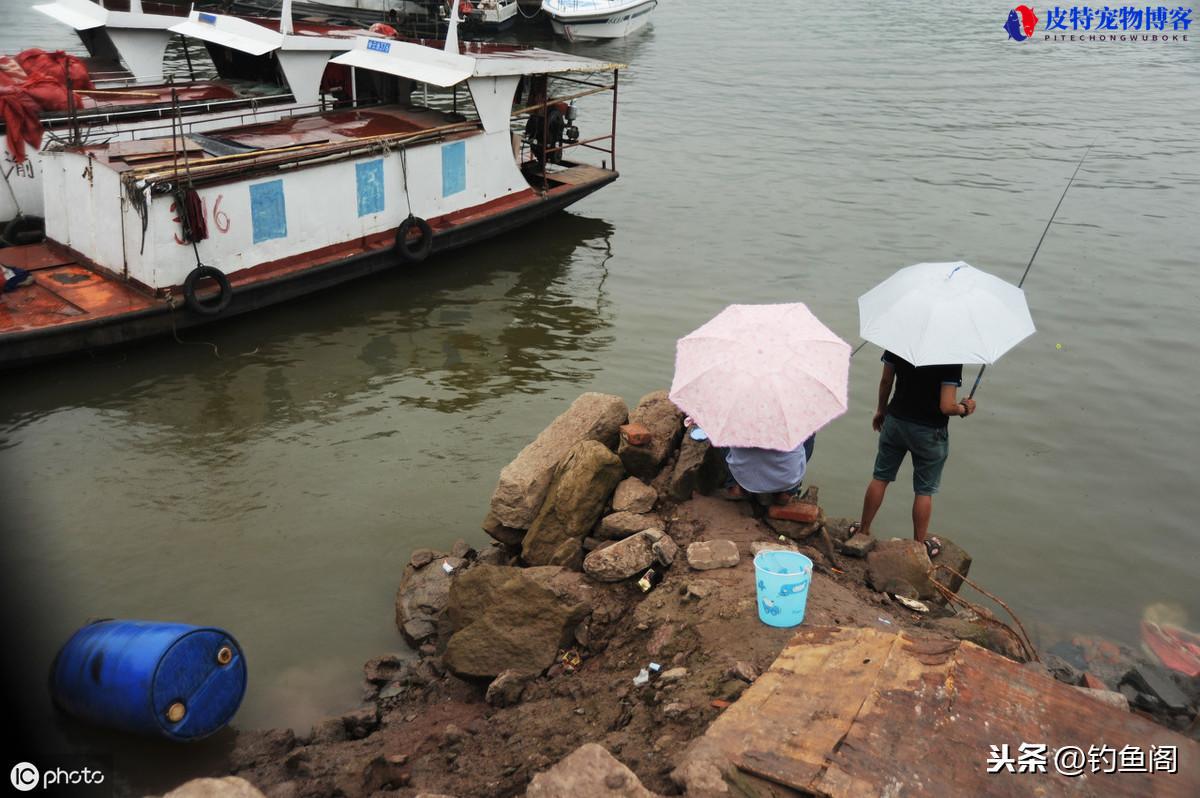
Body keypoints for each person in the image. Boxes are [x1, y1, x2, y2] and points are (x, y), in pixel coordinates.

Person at [853, 351, 976, 557]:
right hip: (930, 432)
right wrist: (964, 408)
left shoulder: (900, 340)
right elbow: (946, 407)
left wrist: (881, 410)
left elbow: (886, 382)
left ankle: (862, 532)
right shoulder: (950, 356)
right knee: (923, 491)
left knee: (880, 478)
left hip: (896, 421)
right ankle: (918, 547)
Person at [724, 434, 815, 506]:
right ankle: (786, 492)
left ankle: (734, 485)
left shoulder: (739, 413)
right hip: (785, 479)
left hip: (741, 473)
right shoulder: (793, 415)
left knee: (718, 429)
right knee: (809, 431)